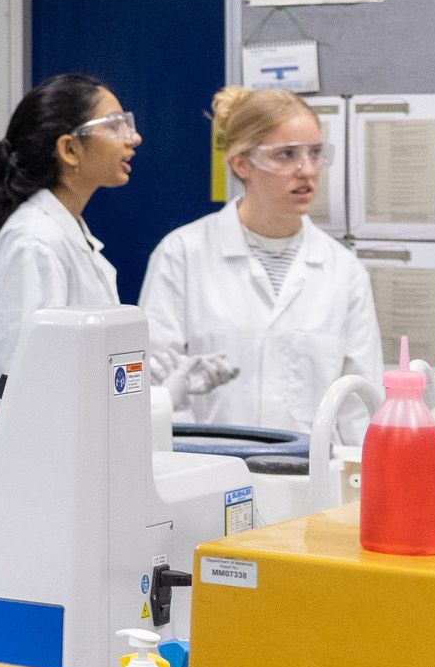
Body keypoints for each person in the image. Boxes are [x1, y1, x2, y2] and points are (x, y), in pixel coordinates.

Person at [139, 87, 377, 433]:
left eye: (314, 153)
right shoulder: (182, 254)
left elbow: (359, 404)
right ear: (241, 163)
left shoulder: (344, 270)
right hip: (206, 472)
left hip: (311, 479)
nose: (307, 170)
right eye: (286, 155)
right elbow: (155, 385)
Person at [0, 73, 139, 396]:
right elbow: (27, 378)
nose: (133, 138)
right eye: (114, 125)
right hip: (43, 444)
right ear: (69, 150)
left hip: (73, 438)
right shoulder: (34, 242)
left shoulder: (65, 233)